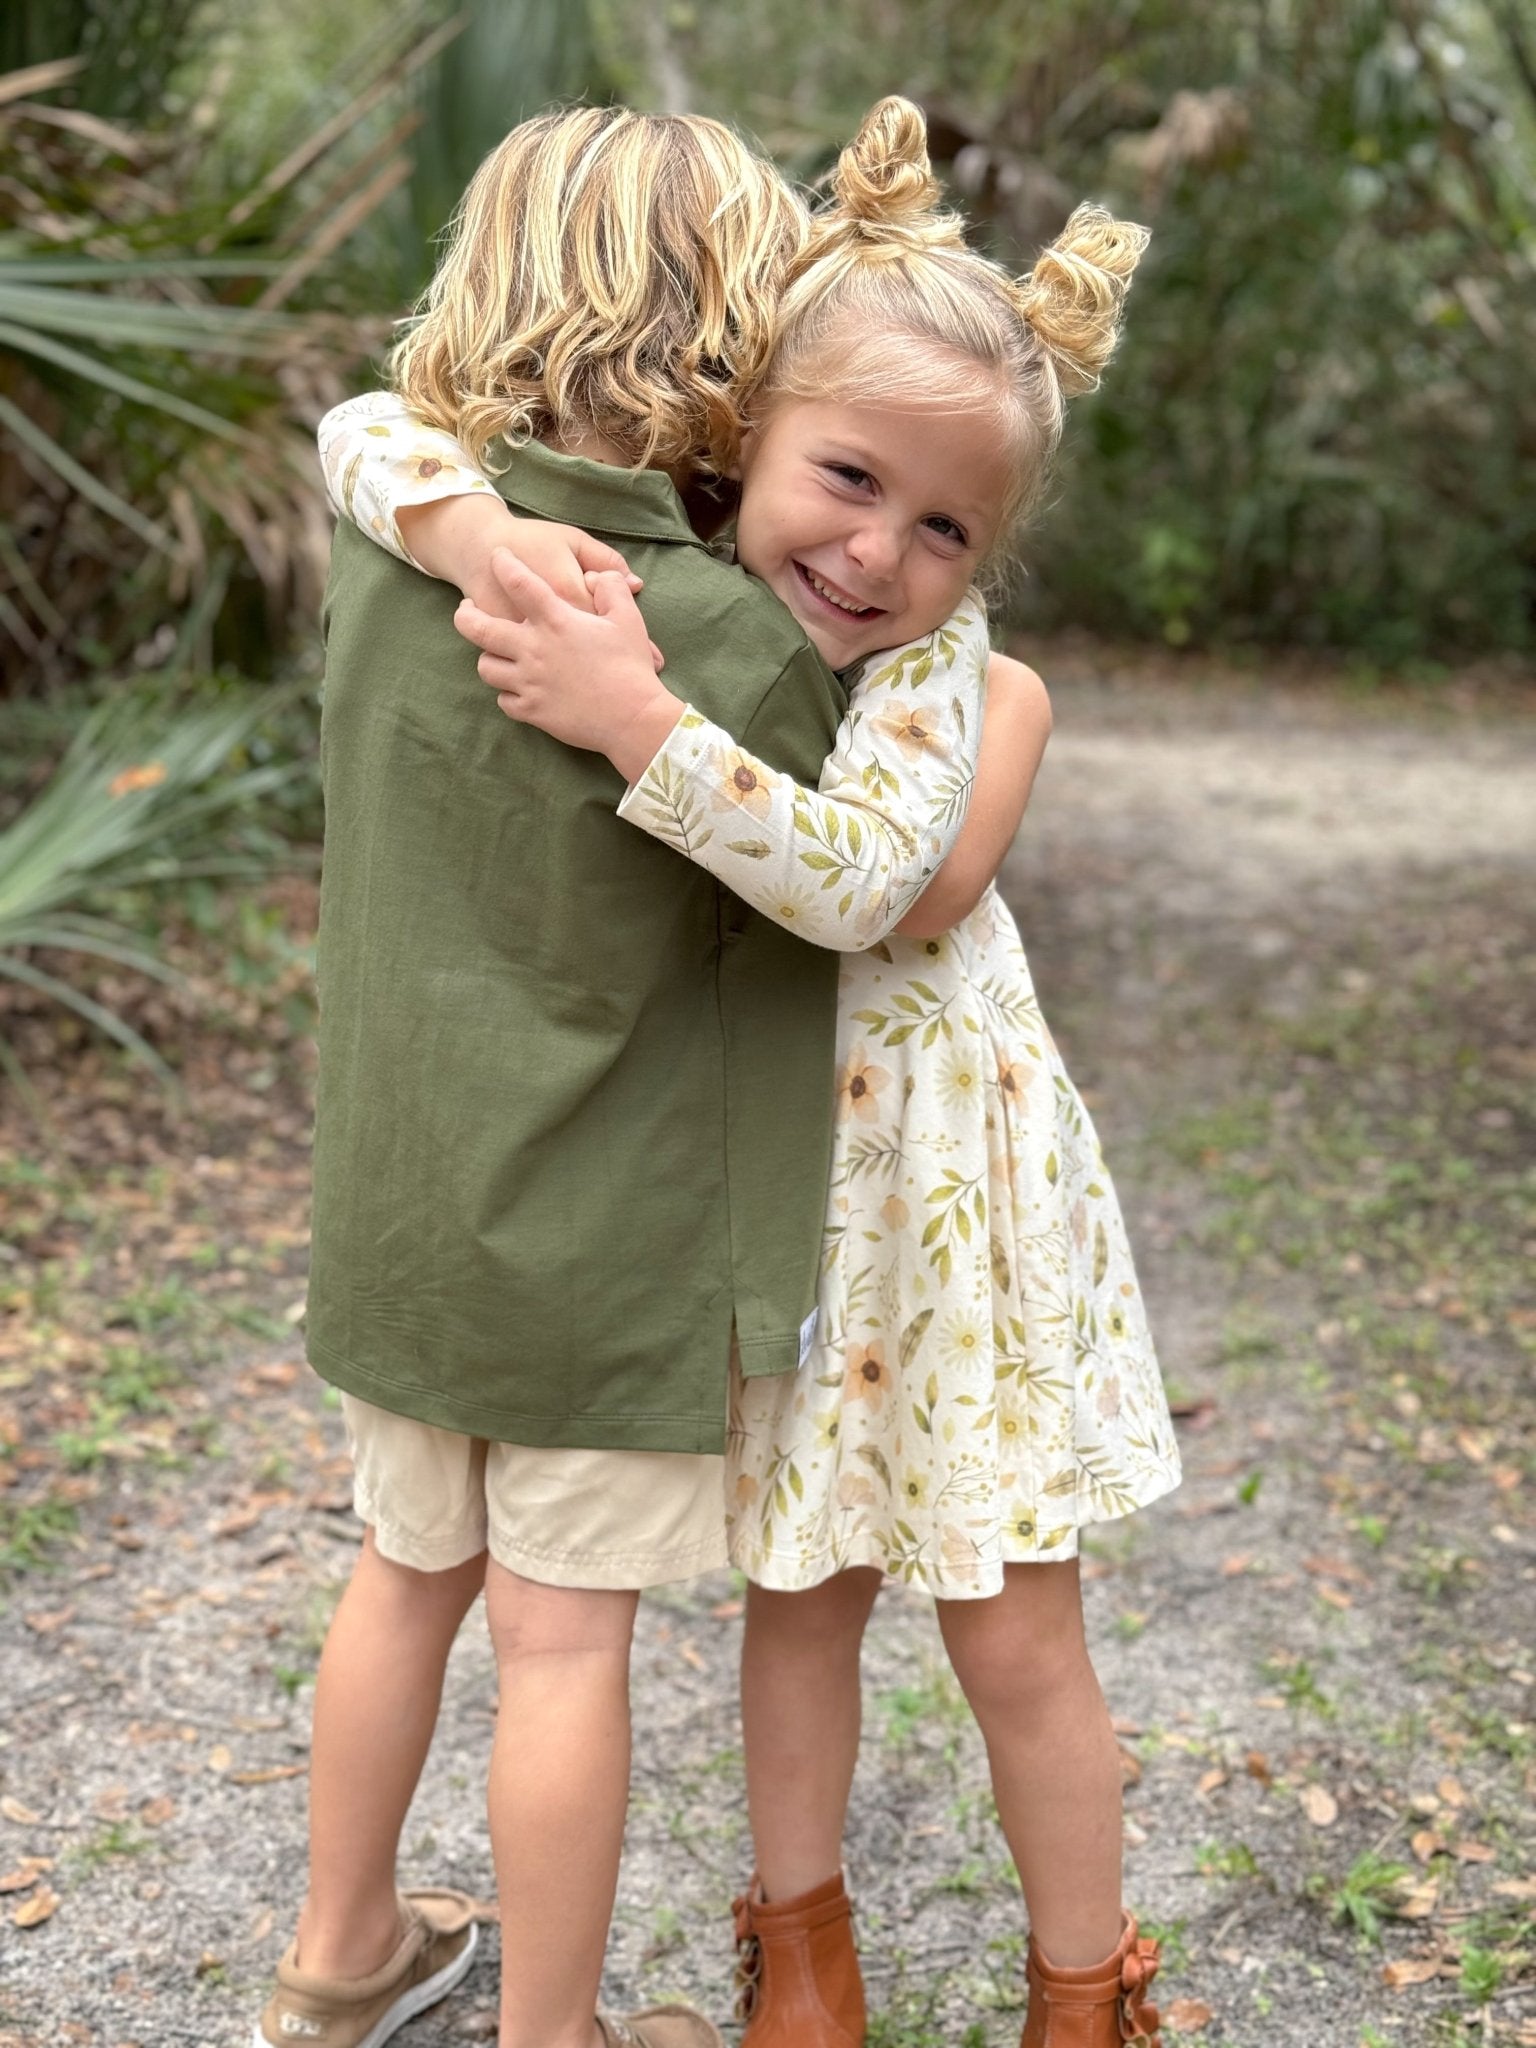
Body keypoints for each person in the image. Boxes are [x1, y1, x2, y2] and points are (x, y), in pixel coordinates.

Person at [322, 97, 1178, 2048]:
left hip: (940, 1227)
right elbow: (363, 431)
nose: (881, 552)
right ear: (747, 434)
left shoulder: (956, 682)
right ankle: (799, 1964)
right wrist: (483, 531)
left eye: (950, 527)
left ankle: (1086, 1986)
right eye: (850, 480)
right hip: (776, 1222)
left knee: (1013, 1619)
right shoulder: (691, 575)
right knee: (798, 1610)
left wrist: (632, 716)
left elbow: (865, 882)